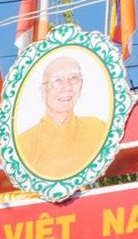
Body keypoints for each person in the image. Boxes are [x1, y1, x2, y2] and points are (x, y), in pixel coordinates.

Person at [14, 49, 110, 181]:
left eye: (73, 78)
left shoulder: (96, 128)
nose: (67, 87)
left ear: (81, 85)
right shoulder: (25, 142)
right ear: (43, 91)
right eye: (58, 80)